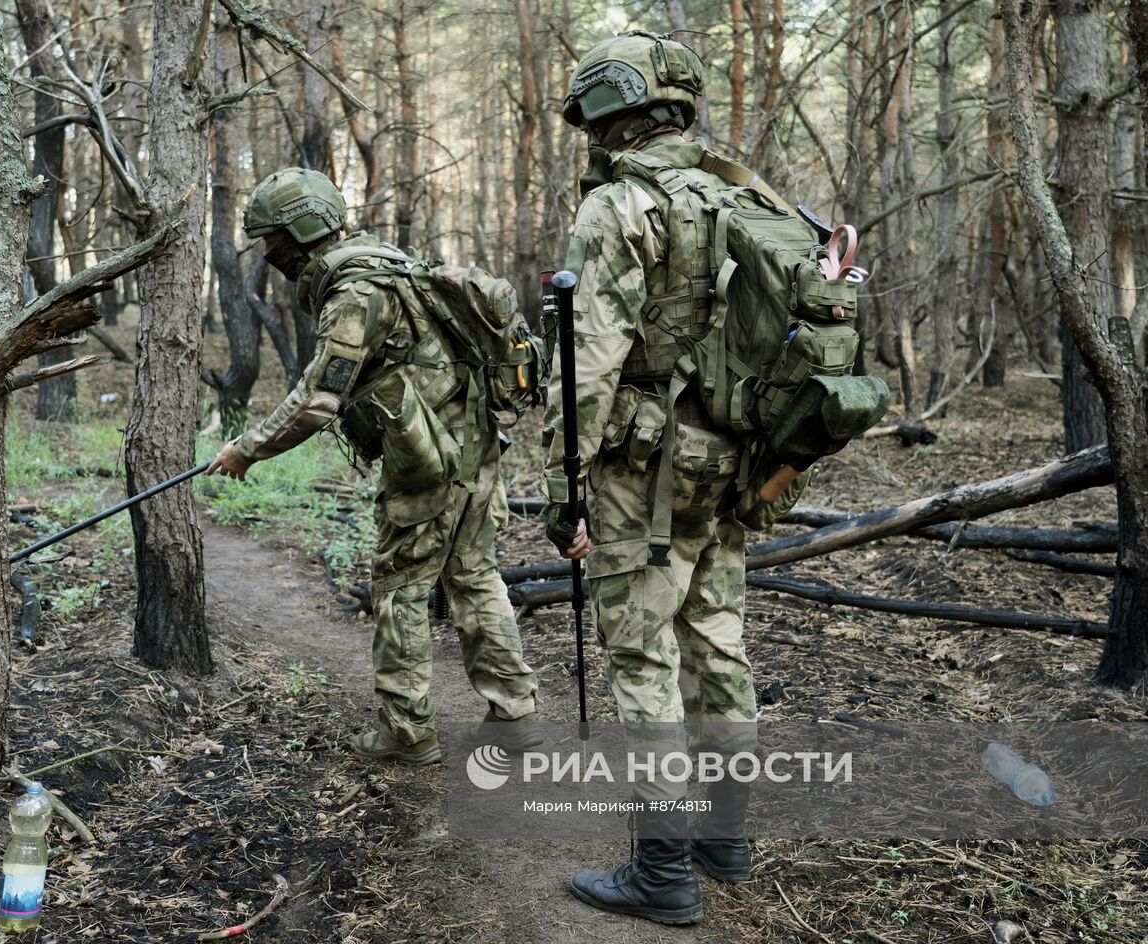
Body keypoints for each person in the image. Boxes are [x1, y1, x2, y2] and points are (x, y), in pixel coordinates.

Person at [542, 31, 808, 926]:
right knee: (717, 638)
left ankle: (663, 873)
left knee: (644, 656)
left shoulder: (620, 205)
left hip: (644, 467)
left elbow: (586, 369)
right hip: (734, 457)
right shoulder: (747, 193)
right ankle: (725, 837)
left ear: (612, 113)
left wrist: (561, 487)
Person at [209, 168, 541, 765]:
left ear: (300, 232)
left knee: (401, 588)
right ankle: (514, 717)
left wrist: (247, 448)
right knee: (473, 576)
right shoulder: (387, 264)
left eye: (272, 239)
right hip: (473, 446)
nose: (266, 253)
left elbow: (316, 399)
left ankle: (407, 732)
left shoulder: (355, 295)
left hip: (430, 459)